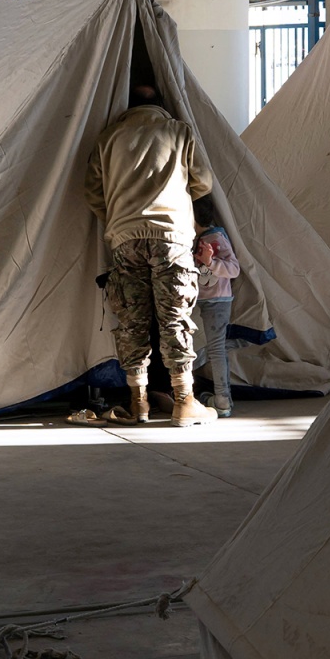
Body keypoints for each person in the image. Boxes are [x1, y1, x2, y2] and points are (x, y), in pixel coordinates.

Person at [74, 83, 216, 425]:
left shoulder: (109, 137)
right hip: (171, 236)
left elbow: (93, 191)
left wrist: (121, 216)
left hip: (125, 237)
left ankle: (139, 403)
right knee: (174, 317)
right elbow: (204, 182)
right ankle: (184, 402)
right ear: (162, 105)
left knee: (132, 320)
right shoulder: (179, 131)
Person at [193, 201, 240, 418]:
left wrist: (210, 262)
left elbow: (234, 269)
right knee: (209, 348)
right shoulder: (200, 239)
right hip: (201, 299)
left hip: (217, 301)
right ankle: (220, 397)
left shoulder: (216, 238)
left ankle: (222, 400)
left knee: (216, 349)